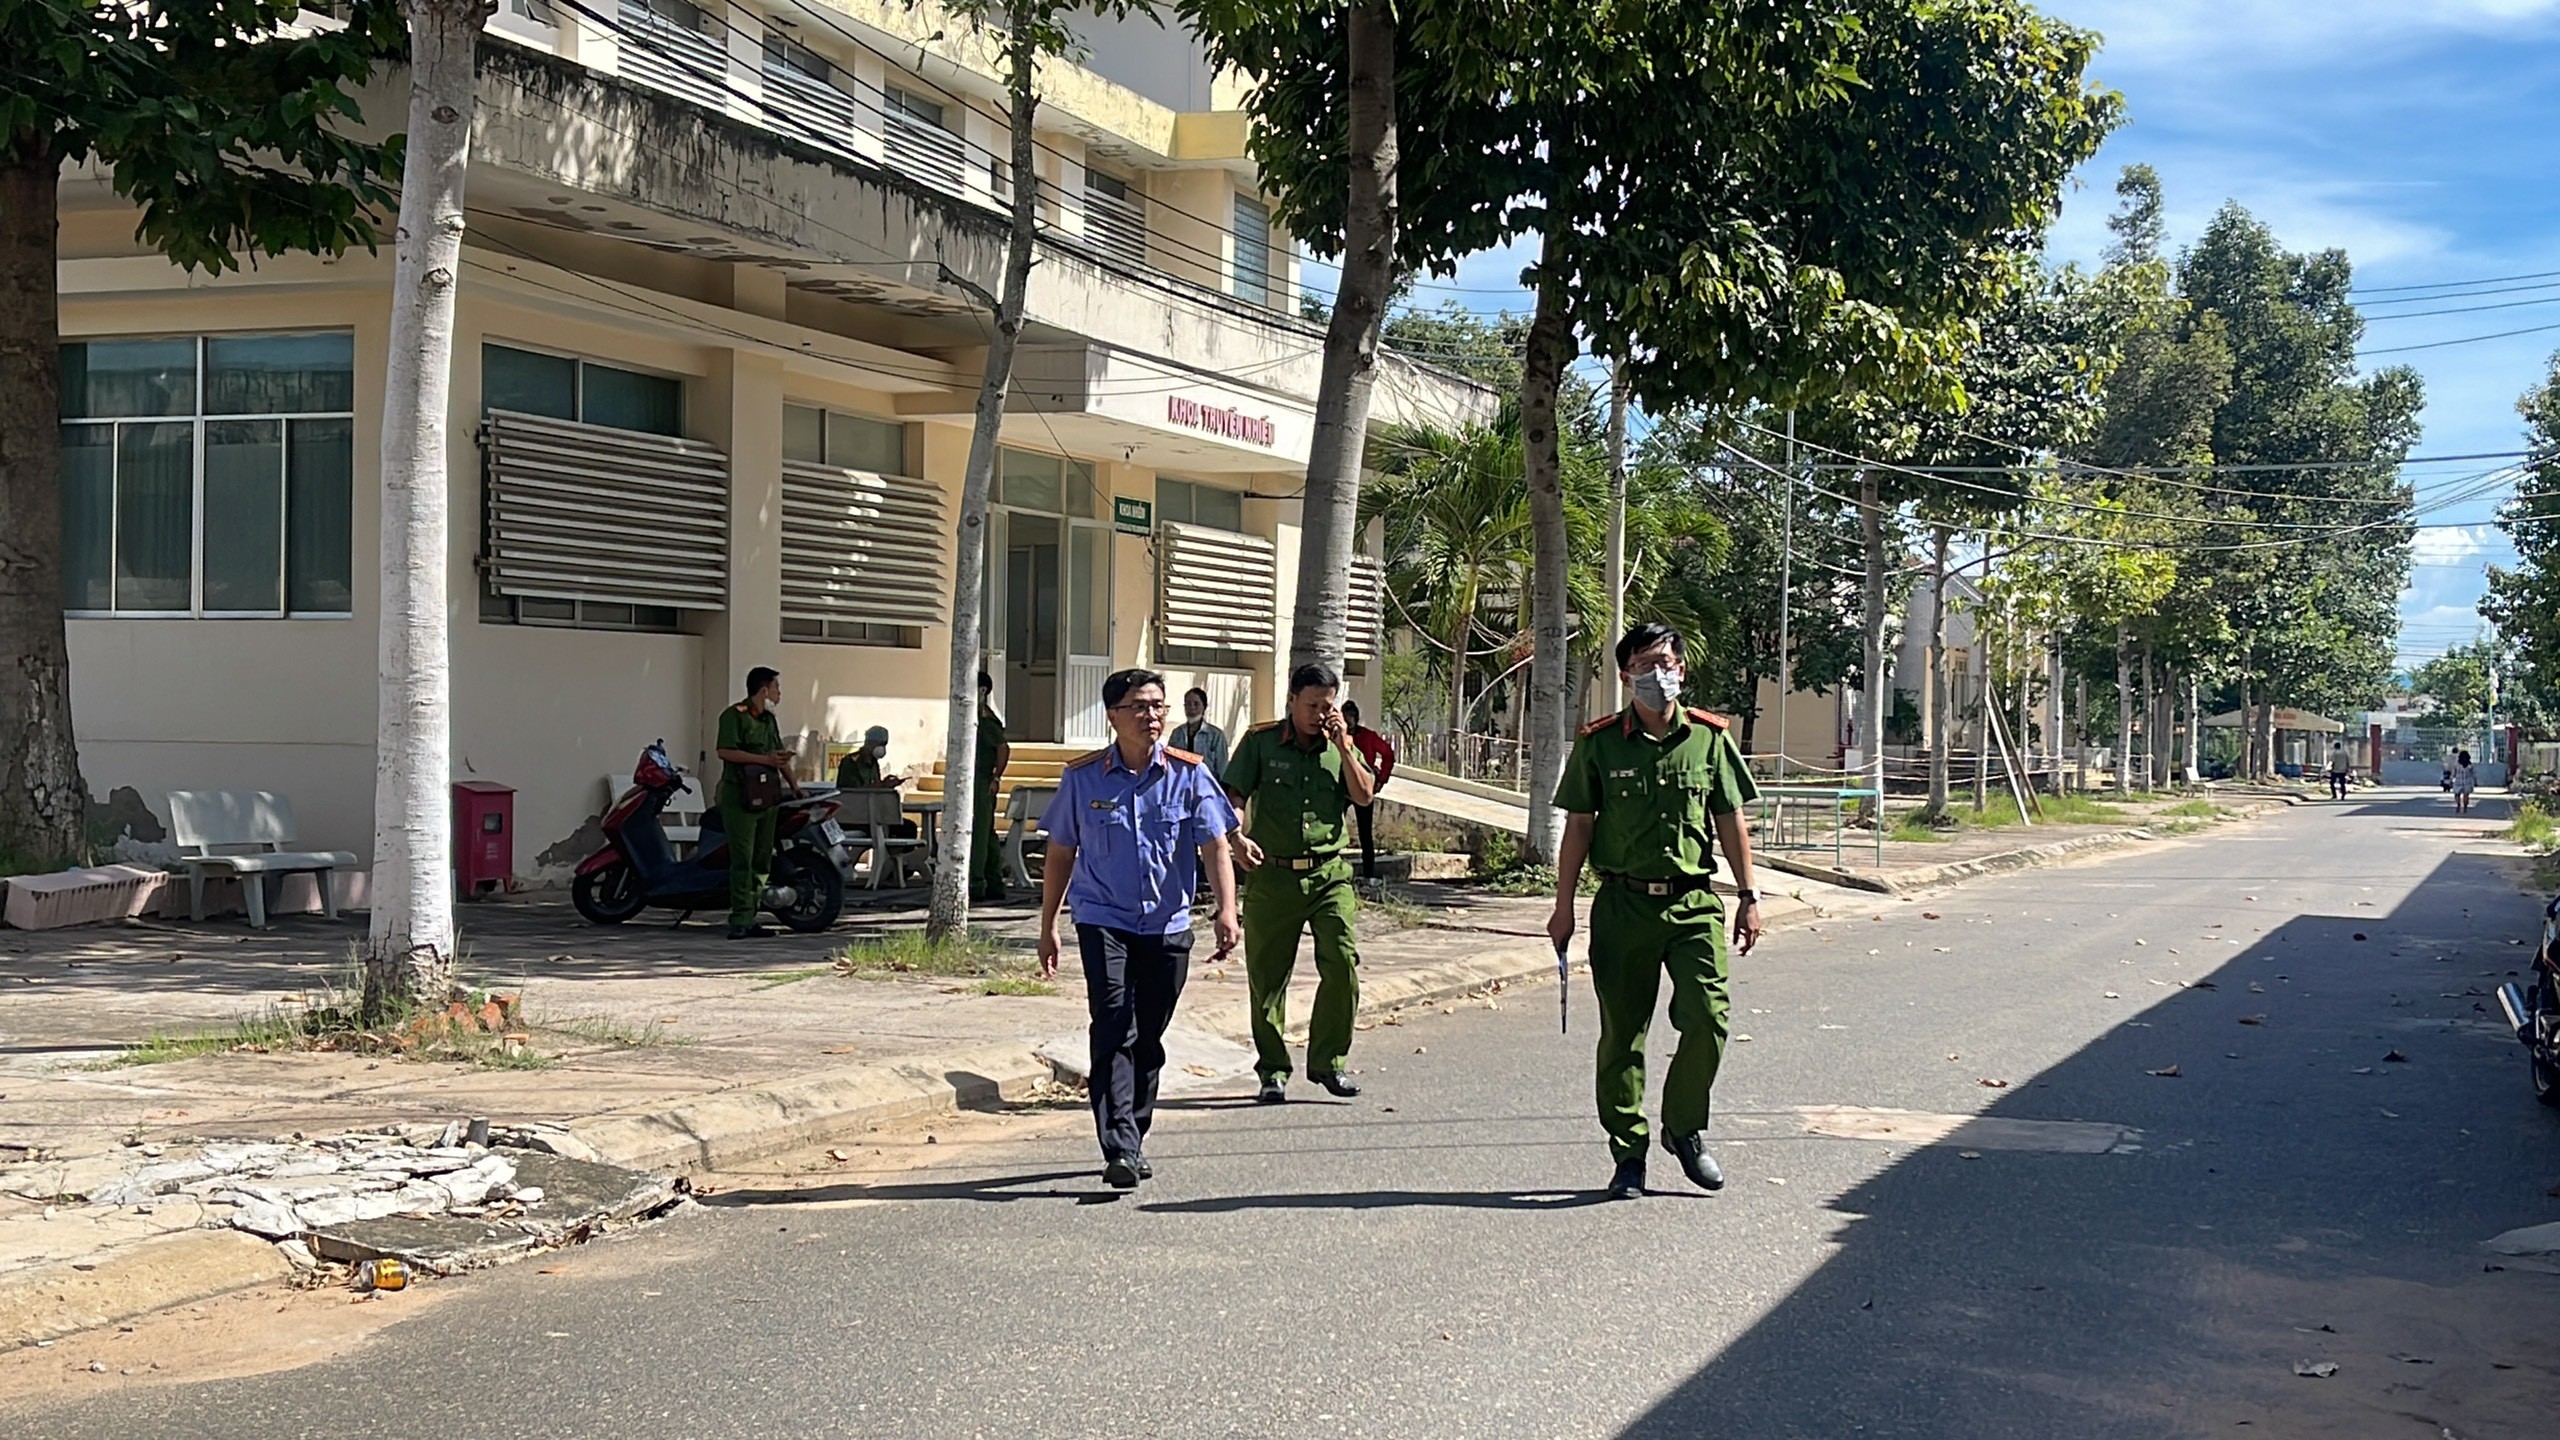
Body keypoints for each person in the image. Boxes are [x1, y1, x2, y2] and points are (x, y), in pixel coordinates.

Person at [1548, 622, 1764, 1200]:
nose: (1655, 674)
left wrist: (1748, 895)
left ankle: (1684, 1128)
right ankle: (1628, 1154)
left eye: (1664, 662)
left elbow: (1729, 819)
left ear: (1682, 668)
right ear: (1624, 677)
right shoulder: (1600, 743)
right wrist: (1563, 907)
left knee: (1708, 1018)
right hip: (1622, 905)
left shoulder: (1710, 739)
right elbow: (1578, 827)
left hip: (1694, 903)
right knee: (1623, 1035)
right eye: (1642, 665)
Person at [1037, 669, 1241, 1189]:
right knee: (1112, 1025)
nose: (1152, 716)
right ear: (1113, 717)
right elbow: (1061, 852)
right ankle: (1120, 1144)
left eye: (1158, 706)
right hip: (1103, 919)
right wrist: (1049, 926)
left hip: (1167, 925)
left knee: (1148, 1034)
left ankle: (1135, 1132)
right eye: (1139, 707)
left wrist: (1226, 910)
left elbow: (1215, 845)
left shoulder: (1188, 774)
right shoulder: (1082, 779)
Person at [1223, 662, 1375, 1103]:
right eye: (1311, 705)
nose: (1318, 714)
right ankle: (1272, 1070)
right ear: (1292, 701)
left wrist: (1345, 746)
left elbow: (1364, 795)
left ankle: (1330, 1062)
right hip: (1272, 875)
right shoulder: (1260, 742)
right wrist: (1236, 837)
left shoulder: (1340, 746)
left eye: (1326, 706)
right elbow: (1233, 796)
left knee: (1342, 963)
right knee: (1267, 977)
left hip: (1329, 875)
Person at [713, 666, 796, 940]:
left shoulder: (769, 721)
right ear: (763, 690)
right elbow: (725, 751)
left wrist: (795, 786)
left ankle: (751, 917)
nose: (778, 692)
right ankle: (739, 919)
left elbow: (776, 754)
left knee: (762, 859)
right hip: (740, 798)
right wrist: (765, 761)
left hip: (768, 796)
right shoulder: (734, 716)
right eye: (775, 687)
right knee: (742, 859)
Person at [1340, 701, 1397, 883]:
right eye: (1346, 717)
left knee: (1365, 833)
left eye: (1352, 717)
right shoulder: (1335, 737)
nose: (1349, 722)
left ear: (1356, 718)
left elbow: (1388, 754)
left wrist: (1381, 780)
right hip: (1341, 788)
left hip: (1364, 788)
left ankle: (1369, 874)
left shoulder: (1368, 736)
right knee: (1334, 828)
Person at [972, 672, 1011, 903]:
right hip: (974, 780)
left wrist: (996, 776)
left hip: (981, 781)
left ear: (982, 691)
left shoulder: (985, 720)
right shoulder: (973, 717)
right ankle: (993, 882)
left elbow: (1003, 748)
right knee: (986, 834)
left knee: (978, 832)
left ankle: (976, 883)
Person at [1168, 687, 1230, 783]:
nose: (1191, 707)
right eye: (1188, 704)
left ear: (1204, 707)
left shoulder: (1216, 735)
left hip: (1207, 786)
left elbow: (1222, 768)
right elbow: (1169, 762)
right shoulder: (1177, 733)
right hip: (1181, 785)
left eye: (1196, 704)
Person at [2453, 748, 2478, 813]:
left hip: (2458, 782)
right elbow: (2474, 774)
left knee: (2457, 794)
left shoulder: (2457, 765)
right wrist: (2475, 782)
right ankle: (2465, 807)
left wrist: (2451, 779)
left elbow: (2454, 773)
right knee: (2466, 795)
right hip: (2467, 782)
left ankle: (2458, 804)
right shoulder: (2470, 765)